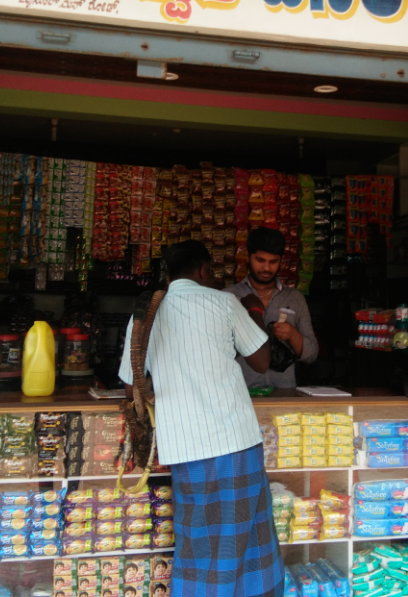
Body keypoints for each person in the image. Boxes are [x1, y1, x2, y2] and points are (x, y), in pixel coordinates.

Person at [119, 240, 284, 597]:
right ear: (204, 271)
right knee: (251, 535)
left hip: (183, 447)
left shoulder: (145, 315)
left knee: (199, 542)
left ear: (167, 274)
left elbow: (131, 380)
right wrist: (253, 309)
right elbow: (261, 361)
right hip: (235, 441)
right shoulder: (224, 302)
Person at [228, 228, 318, 389]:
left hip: (284, 394)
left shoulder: (295, 298)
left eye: (273, 262)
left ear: (281, 260)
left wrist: (292, 334)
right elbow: (212, 351)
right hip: (240, 395)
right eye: (260, 260)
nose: (266, 268)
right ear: (248, 257)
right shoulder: (229, 297)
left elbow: (311, 355)